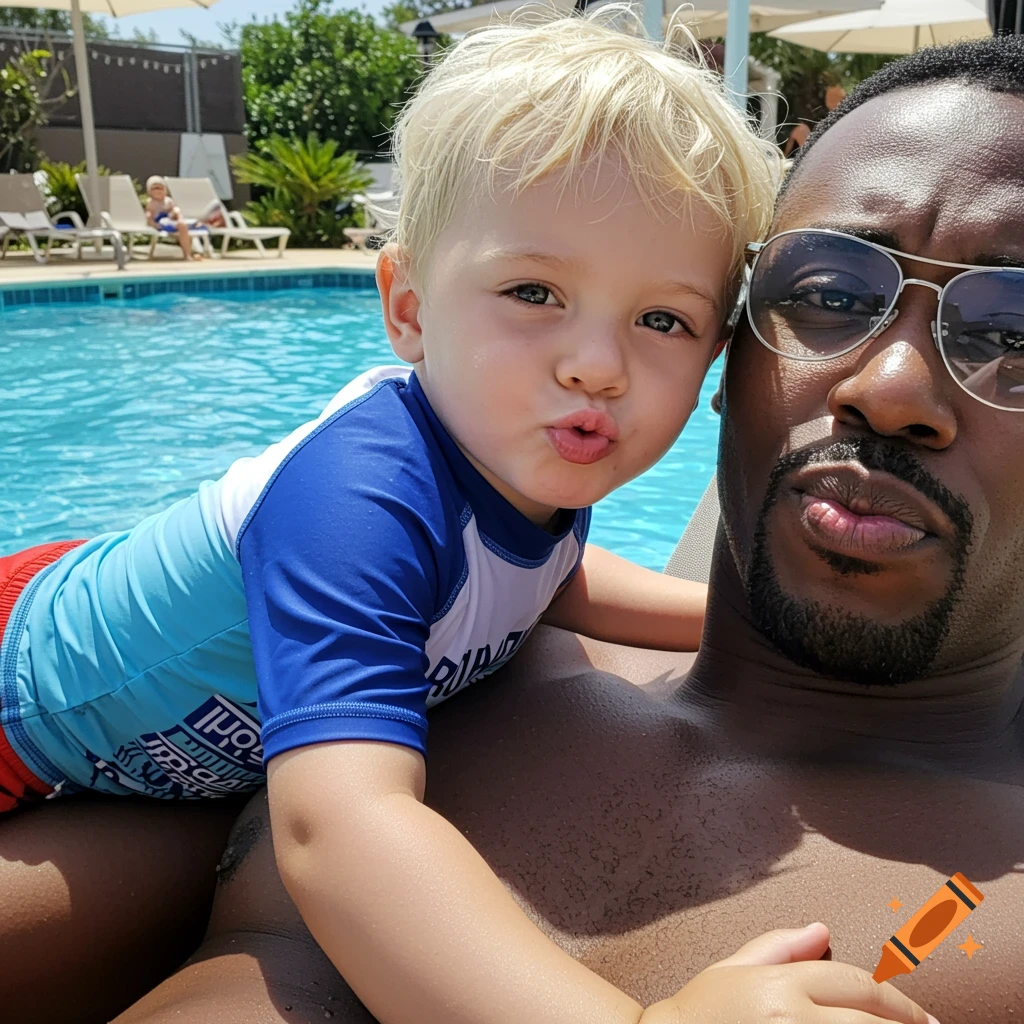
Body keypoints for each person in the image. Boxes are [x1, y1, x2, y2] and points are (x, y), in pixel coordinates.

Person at [96, 32, 1024, 1024]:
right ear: (730, 355)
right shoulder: (446, 649)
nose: (887, 390)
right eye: (830, 293)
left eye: (1013, 330)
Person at [144, 174, 203, 260]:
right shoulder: (151, 203)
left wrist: (177, 216)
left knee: (183, 222)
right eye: (154, 189)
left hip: (170, 221)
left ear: (165, 190)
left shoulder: (168, 201)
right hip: (161, 224)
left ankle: (191, 252)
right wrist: (153, 224)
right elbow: (149, 215)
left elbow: (175, 211)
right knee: (183, 227)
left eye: (160, 188)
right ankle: (188, 254)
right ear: (149, 192)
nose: (158, 191)